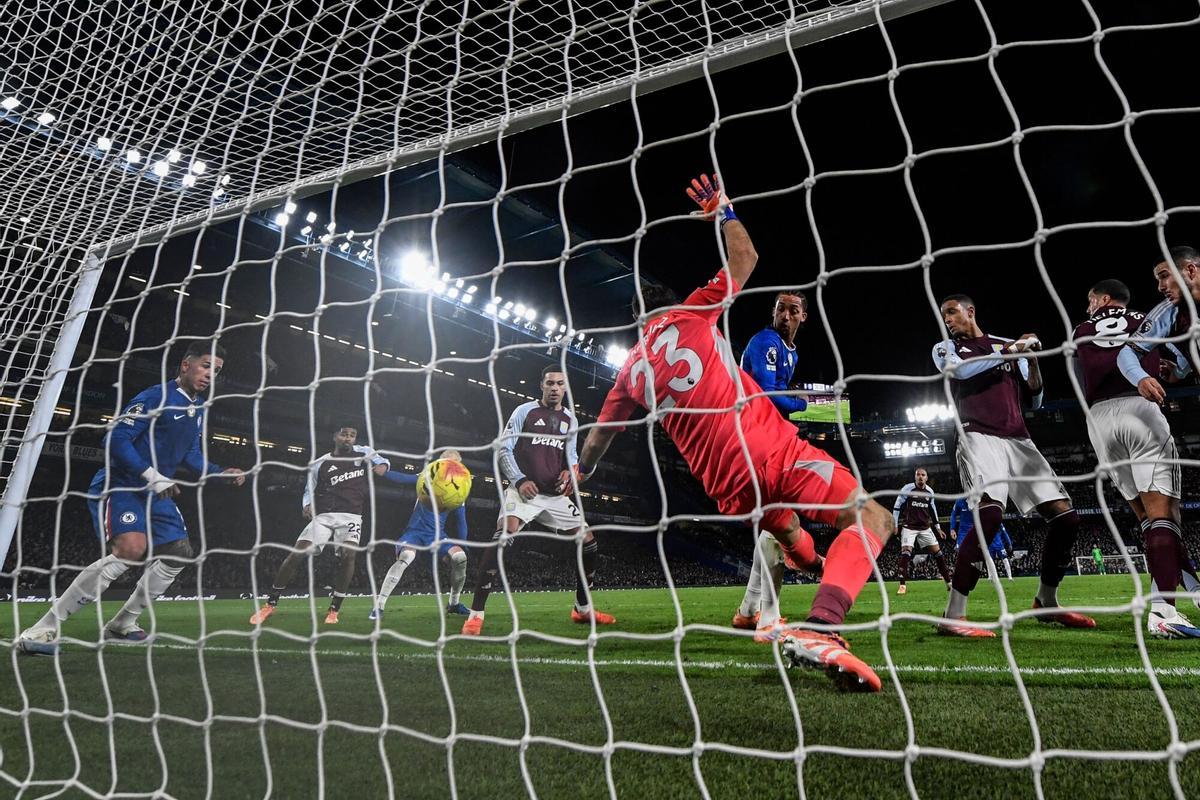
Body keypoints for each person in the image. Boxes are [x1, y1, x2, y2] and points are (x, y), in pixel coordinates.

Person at [577, 173, 895, 692]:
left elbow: (596, 442)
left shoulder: (629, 371)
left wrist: (580, 472)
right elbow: (747, 258)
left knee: (796, 545)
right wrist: (724, 208)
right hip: (768, 449)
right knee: (874, 518)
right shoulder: (693, 312)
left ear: (638, 321)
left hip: (727, 486)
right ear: (669, 303)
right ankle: (823, 627)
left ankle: (774, 601)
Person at [17, 341, 245, 655]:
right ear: (185, 364)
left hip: (157, 491)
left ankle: (123, 623)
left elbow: (191, 455)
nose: (210, 375)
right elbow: (116, 438)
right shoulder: (155, 396)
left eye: (216, 371)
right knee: (131, 550)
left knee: (180, 550)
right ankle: (43, 628)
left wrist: (219, 471)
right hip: (122, 485)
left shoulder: (199, 407)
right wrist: (153, 475)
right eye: (206, 365)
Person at [932, 295, 1095, 637]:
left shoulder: (1006, 344)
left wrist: (1031, 361)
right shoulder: (946, 348)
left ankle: (1046, 602)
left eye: (951, 312)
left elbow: (1034, 397)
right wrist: (1011, 351)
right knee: (990, 514)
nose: (947, 319)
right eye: (944, 314)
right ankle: (954, 615)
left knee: (1067, 519)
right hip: (977, 436)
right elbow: (960, 371)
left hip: (1019, 440)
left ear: (970, 311)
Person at [461, 365, 614, 636]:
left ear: (565, 388)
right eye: (550, 383)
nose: (555, 388)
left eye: (559, 384)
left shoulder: (570, 419)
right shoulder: (524, 412)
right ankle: (476, 615)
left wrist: (570, 470)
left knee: (589, 544)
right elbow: (503, 449)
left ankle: (582, 609)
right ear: (541, 386)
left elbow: (573, 456)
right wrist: (519, 479)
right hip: (523, 493)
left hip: (554, 496)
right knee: (501, 539)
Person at [1092, 260, 1200, 637]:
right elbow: (1139, 355)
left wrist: (1176, 370)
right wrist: (1144, 378)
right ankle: (1162, 611)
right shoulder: (1156, 315)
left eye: (1164, 276)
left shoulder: (1083, 328)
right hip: (1141, 412)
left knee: (1152, 518)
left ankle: (1195, 592)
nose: (1160, 286)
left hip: (1099, 421)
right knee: (1166, 513)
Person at [733, 289, 818, 631]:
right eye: (780, 308)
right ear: (773, 312)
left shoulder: (789, 352)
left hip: (766, 437)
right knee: (780, 521)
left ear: (803, 317)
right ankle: (767, 619)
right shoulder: (766, 342)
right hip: (753, 438)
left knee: (774, 522)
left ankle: (748, 610)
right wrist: (803, 403)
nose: (786, 314)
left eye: (793, 310)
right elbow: (767, 393)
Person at [249, 425, 389, 626]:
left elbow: (382, 460)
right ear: (335, 437)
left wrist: (382, 466)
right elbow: (309, 488)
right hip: (324, 516)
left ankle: (334, 610)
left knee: (350, 556)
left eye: (352, 435)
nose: (348, 438)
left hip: (351, 516)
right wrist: (306, 505)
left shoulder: (363, 452)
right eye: (344, 434)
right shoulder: (319, 463)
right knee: (297, 553)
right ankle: (270, 604)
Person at [371, 451, 470, 620]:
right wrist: (385, 473)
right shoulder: (427, 476)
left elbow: (461, 521)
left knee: (460, 557)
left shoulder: (459, 489)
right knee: (407, 556)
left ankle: (453, 604)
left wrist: (465, 545)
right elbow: (404, 478)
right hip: (414, 533)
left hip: (437, 536)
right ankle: (378, 606)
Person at [892, 468, 951, 594]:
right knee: (906, 552)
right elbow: (897, 507)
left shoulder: (930, 491)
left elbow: (933, 511)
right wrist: (895, 524)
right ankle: (902, 585)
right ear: (915, 477)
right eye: (918, 475)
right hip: (909, 527)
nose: (920, 477)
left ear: (926, 478)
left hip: (925, 528)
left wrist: (938, 529)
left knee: (938, 554)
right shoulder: (907, 489)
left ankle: (949, 582)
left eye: (923, 475)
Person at [950, 498, 1013, 582]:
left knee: (983, 556)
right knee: (961, 553)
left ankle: (994, 577)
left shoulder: (978, 500)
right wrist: (952, 528)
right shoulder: (959, 501)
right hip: (963, 532)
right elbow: (953, 514)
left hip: (976, 531)